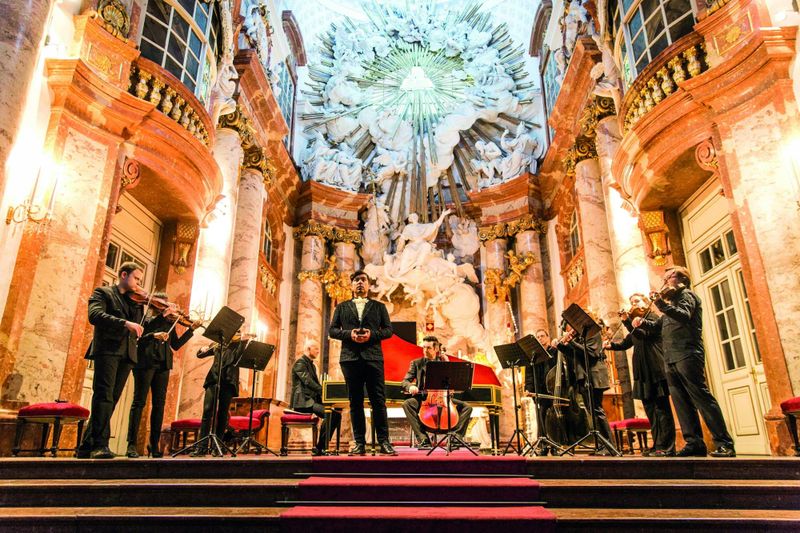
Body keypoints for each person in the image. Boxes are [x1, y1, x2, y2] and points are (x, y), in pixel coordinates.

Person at [636, 266, 735, 457]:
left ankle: (724, 443)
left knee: (702, 398)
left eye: (668, 278)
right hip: (671, 358)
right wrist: (640, 322)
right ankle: (694, 443)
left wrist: (661, 304)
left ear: (681, 279)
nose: (664, 282)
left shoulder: (687, 296)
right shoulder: (670, 304)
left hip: (688, 353)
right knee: (681, 403)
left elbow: (683, 315)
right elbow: (657, 327)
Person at [79, 262, 145, 459]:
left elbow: (140, 326)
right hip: (107, 349)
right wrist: (125, 323)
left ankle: (86, 445)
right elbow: (95, 315)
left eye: (140, 280)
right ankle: (100, 444)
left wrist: (137, 306)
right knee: (103, 396)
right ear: (124, 275)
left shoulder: (134, 301)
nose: (138, 284)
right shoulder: (103, 293)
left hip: (126, 354)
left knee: (111, 399)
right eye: (136, 279)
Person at [126, 293, 201, 458]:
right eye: (163, 305)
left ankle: (154, 445)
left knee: (159, 405)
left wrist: (191, 330)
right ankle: (131, 444)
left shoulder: (168, 322)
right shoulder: (145, 318)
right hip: (145, 362)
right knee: (139, 402)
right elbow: (138, 337)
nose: (167, 308)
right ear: (155, 305)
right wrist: (154, 334)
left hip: (163, 364)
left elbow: (175, 344)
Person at [329, 270, 396, 456]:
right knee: (355, 402)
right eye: (356, 280)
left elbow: (389, 331)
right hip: (350, 359)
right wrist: (349, 334)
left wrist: (371, 335)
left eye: (363, 280)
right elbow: (332, 331)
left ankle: (384, 442)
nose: (360, 283)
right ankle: (359, 443)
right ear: (351, 285)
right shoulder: (341, 307)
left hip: (373, 357)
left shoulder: (379, 307)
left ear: (368, 285)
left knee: (378, 401)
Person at [604, 294, 676, 456]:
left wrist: (627, 321)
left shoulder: (653, 319)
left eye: (636, 301)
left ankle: (668, 447)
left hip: (655, 369)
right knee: (650, 409)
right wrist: (611, 346)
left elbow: (642, 334)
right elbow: (626, 343)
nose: (633, 304)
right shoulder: (636, 323)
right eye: (631, 302)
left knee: (662, 409)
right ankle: (657, 444)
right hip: (642, 372)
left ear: (646, 302)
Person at [401, 336, 473, 449]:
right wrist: (410, 386)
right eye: (423, 347)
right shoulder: (416, 363)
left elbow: (453, 381)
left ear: (436, 349)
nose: (425, 350)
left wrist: (449, 372)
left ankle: (455, 437)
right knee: (407, 404)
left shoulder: (444, 362)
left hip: (443, 398)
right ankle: (423, 439)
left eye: (428, 348)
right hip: (424, 398)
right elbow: (405, 381)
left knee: (467, 407)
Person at [554, 321, 614, 453]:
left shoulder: (593, 333)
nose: (571, 328)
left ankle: (609, 446)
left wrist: (571, 342)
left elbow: (591, 353)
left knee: (597, 410)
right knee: (592, 411)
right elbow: (574, 354)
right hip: (584, 377)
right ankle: (602, 445)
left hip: (593, 375)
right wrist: (560, 345)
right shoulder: (579, 337)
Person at [190, 334, 250, 456]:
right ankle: (201, 447)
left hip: (228, 381)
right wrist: (203, 349)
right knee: (207, 411)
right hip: (213, 379)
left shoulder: (238, 345)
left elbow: (235, 359)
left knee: (223, 413)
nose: (235, 334)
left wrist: (243, 342)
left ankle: (217, 446)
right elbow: (200, 355)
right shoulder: (218, 344)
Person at [290, 342, 342, 455]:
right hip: (303, 402)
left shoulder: (312, 365)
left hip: (310, 401)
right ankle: (320, 448)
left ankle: (321, 447)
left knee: (336, 415)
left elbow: (313, 385)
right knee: (330, 415)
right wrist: (324, 390)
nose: (318, 351)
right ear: (309, 349)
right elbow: (307, 381)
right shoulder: (300, 363)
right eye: (316, 349)